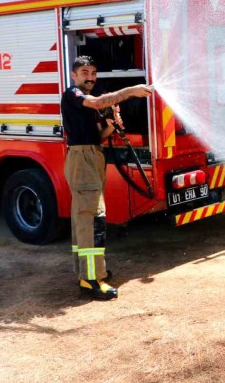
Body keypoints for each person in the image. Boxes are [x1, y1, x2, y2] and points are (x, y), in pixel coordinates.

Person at [62, 56, 153, 299]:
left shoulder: (86, 105)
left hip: (92, 156)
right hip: (82, 160)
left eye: (93, 72)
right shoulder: (73, 94)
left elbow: (98, 137)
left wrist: (112, 125)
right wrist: (131, 91)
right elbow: (99, 101)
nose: (90, 77)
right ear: (74, 75)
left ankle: (87, 273)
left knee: (87, 218)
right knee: (92, 220)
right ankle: (91, 279)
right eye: (84, 72)